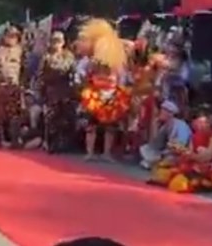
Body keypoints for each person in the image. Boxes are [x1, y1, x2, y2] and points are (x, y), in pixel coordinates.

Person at [76, 19, 131, 161]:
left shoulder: (117, 61)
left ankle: (106, 153)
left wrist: (120, 91)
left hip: (112, 94)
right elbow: (81, 71)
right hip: (95, 94)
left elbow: (122, 76)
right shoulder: (90, 61)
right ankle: (90, 152)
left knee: (110, 126)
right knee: (91, 125)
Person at [37, 31, 76, 153]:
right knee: (51, 119)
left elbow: (72, 71)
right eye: (54, 41)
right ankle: (51, 144)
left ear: (63, 42)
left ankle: (64, 144)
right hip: (51, 91)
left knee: (65, 119)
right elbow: (41, 75)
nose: (56, 44)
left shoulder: (69, 56)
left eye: (59, 41)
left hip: (65, 90)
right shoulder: (47, 57)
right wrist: (41, 92)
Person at [0, 26, 24, 148]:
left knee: (14, 115)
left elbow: (24, 70)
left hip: (14, 87)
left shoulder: (20, 51)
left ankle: (15, 140)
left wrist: (23, 85)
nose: (12, 39)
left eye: (14, 37)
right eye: (9, 36)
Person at [140, 100, 192, 170]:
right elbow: (155, 144)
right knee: (147, 150)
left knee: (168, 160)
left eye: (163, 111)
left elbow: (180, 147)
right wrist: (154, 125)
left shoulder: (180, 126)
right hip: (168, 151)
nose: (160, 112)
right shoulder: (166, 125)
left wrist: (165, 152)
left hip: (181, 154)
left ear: (170, 113)